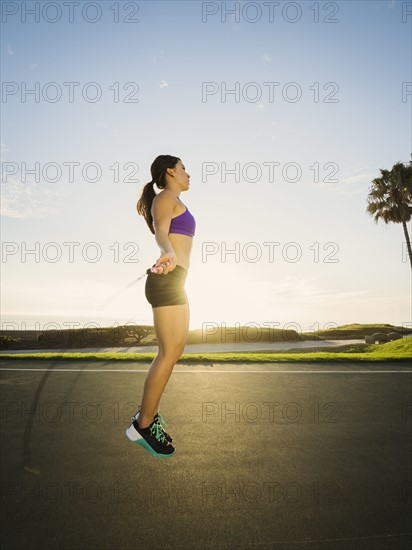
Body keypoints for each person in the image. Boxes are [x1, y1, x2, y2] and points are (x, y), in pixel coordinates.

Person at [125, 155, 195, 458]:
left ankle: (147, 418)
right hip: (167, 278)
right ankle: (143, 423)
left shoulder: (173, 198)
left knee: (174, 352)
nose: (188, 173)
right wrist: (168, 253)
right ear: (170, 171)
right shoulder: (166, 196)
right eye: (183, 168)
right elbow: (161, 232)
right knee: (168, 353)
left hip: (174, 280)